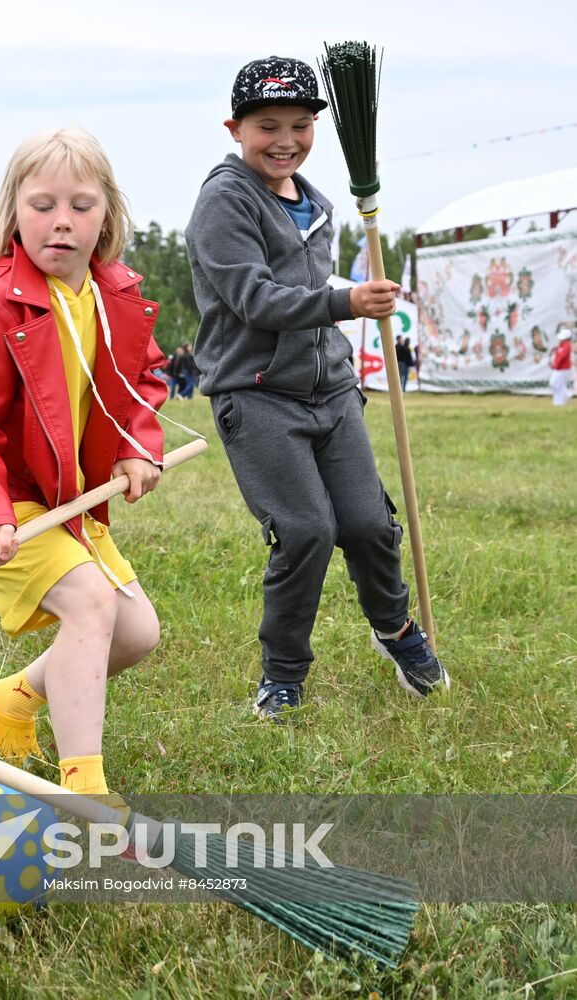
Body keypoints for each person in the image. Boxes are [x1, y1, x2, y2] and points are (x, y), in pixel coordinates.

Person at [184, 55, 449, 722]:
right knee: (304, 531)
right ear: (234, 128)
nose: (284, 140)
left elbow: (313, 297)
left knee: (367, 524)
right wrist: (345, 301)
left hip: (328, 389)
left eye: (300, 125)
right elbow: (253, 298)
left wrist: (359, 303)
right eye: (266, 125)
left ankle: (393, 630)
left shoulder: (320, 203)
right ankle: (283, 676)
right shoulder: (223, 201)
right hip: (256, 392)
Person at [0, 127, 173, 801]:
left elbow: (141, 380)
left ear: (107, 217)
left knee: (136, 633)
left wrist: (138, 444)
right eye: (40, 205)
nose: (60, 221)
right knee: (90, 604)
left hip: (64, 495)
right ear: (12, 213)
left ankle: (10, 699)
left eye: (80, 205)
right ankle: (84, 794)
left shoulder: (114, 294)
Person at [551, 327, 573, 406]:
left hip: (563, 368)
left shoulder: (567, 345)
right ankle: (564, 396)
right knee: (555, 384)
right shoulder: (561, 345)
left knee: (557, 384)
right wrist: (555, 364)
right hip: (558, 368)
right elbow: (558, 356)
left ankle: (560, 400)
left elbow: (562, 356)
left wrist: (556, 364)